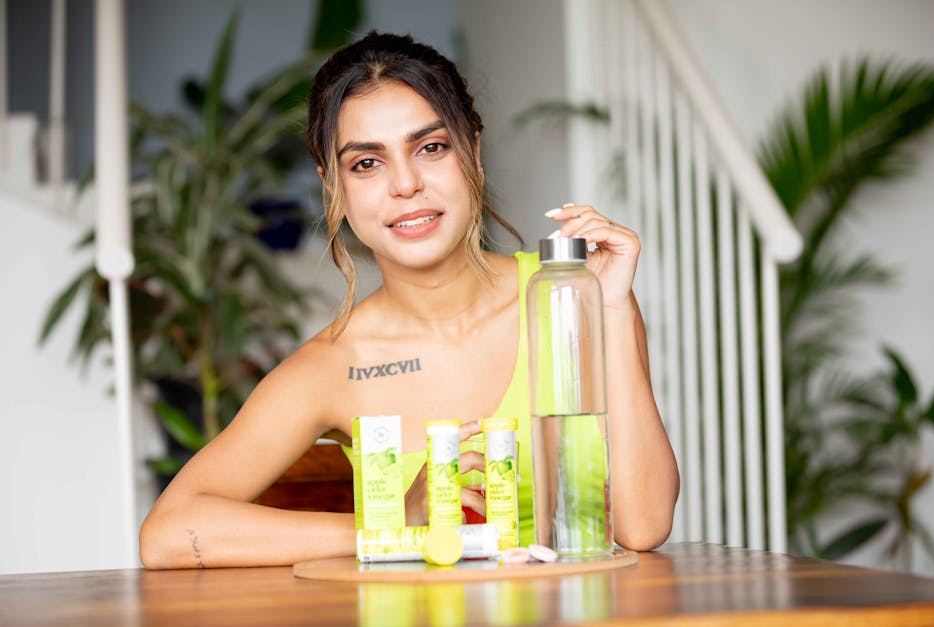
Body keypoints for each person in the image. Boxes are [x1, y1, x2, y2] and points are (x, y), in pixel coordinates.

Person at [139, 31, 678, 569]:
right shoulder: (332, 366)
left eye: (431, 147)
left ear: (474, 152)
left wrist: (609, 307)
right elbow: (167, 535)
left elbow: (644, 523)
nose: (405, 184)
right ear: (335, 188)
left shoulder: (569, 297)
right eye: (366, 163)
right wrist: (393, 524)